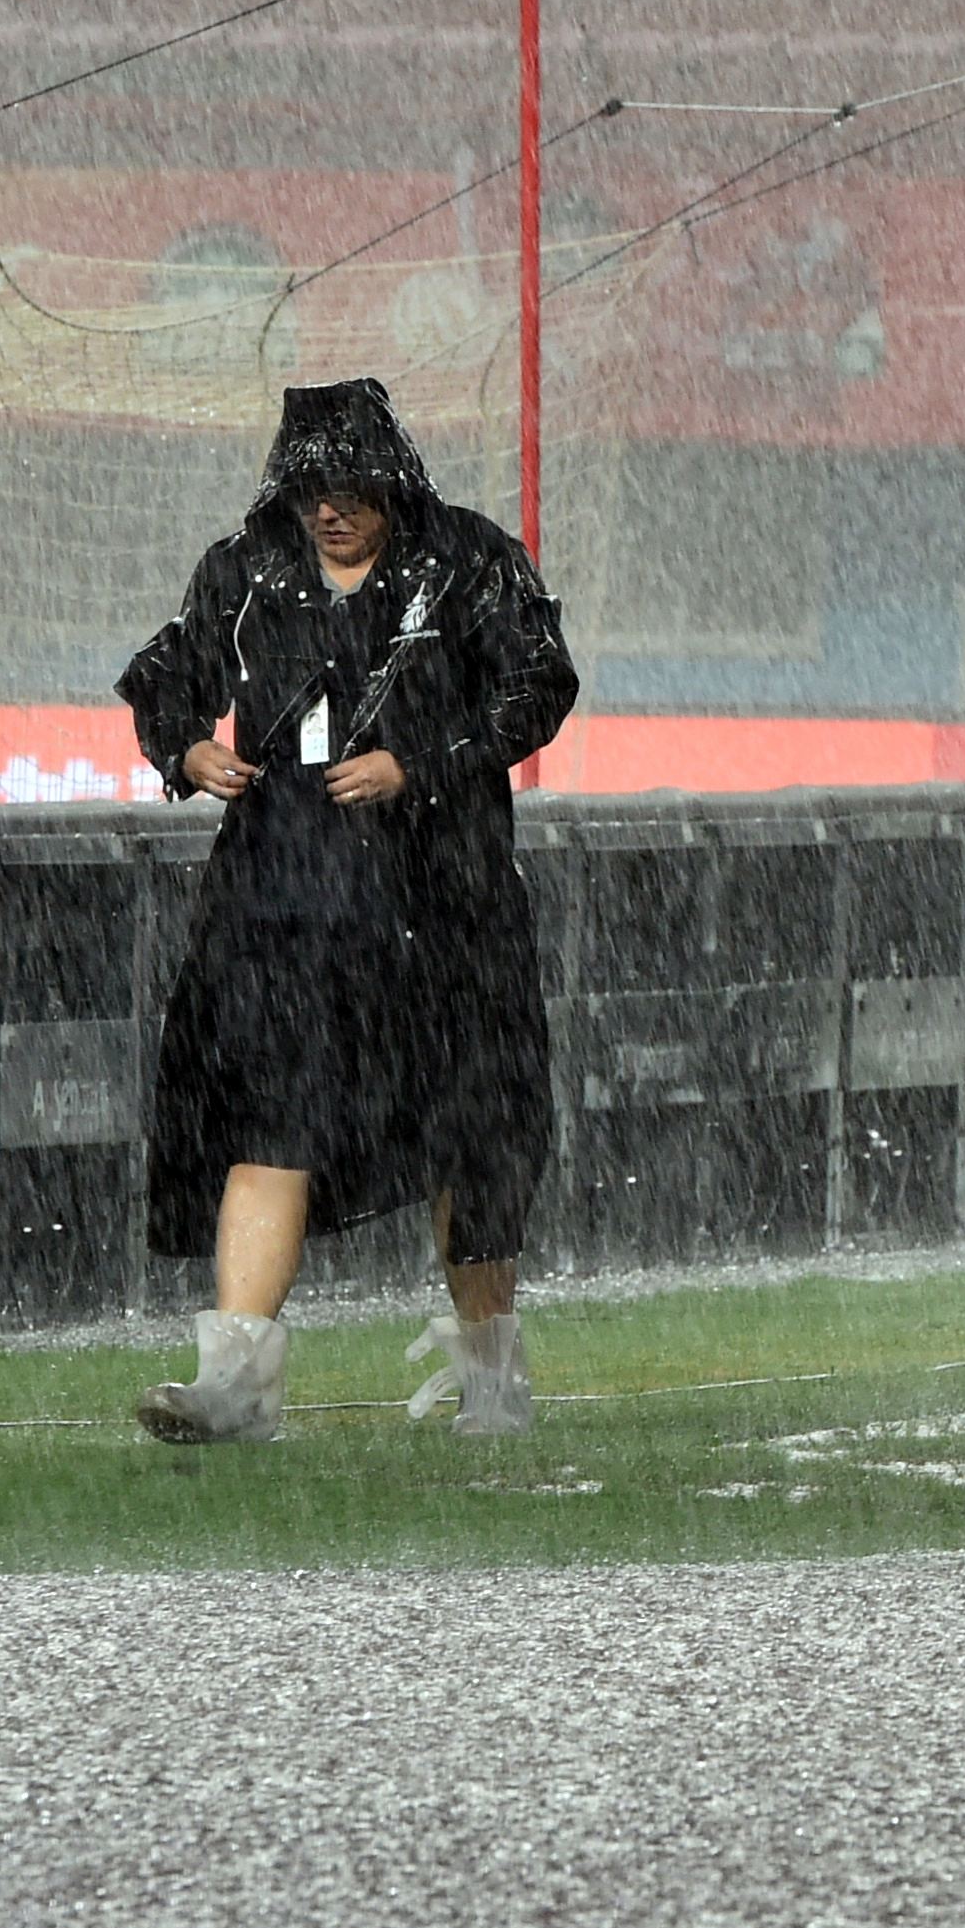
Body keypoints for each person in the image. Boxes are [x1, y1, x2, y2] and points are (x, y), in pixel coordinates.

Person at [116, 378, 578, 1442]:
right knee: (267, 1124)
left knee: (471, 1138)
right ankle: (233, 1381)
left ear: (394, 481)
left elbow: (538, 683)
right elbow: (166, 674)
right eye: (312, 489)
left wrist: (417, 764)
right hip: (285, 908)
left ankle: (493, 1377)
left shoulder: (464, 561)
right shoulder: (248, 569)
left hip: (442, 910)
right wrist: (189, 747)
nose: (330, 509)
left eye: (351, 489)